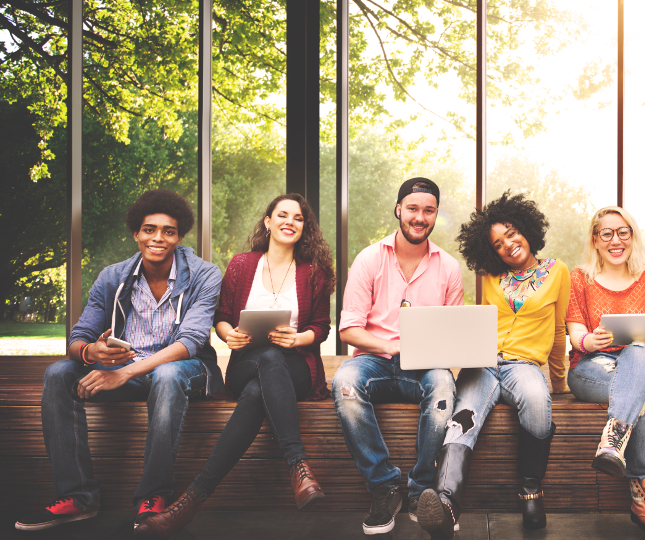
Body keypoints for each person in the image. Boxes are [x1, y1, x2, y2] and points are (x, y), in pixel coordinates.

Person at [15, 190, 223, 532]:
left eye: (168, 231)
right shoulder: (113, 276)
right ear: (136, 233)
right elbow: (78, 336)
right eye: (149, 229)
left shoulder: (204, 274)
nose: (158, 238)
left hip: (186, 370)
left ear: (179, 236)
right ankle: (77, 497)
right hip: (124, 369)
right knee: (58, 373)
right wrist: (90, 353)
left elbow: (191, 341)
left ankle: (153, 496)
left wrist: (123, 372)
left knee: (168, 374)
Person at [137, 194, 335, 537]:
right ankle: (298, 465)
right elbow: (222, 318)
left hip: (296, 366)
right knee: (264, 363)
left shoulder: (313, 271)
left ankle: (190, 502)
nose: (290, 221)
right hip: (246, 362)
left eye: (298, 218)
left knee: (264, 381)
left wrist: (298, 338)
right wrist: (230, 336)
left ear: (305, 228)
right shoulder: (243, 264)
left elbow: (320, 326)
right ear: (268, 222)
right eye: (282, 215)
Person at [417, 192, 569, 539]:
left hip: (524, 364)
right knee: (461, 418)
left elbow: (559, 330)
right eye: (498, 244)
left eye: (512, 233)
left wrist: (559, 381)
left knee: (536, 399)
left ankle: (531, 491)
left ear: (527, 231)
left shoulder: (557, 271)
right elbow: (479, 322)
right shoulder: (488, 276)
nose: (508, 245)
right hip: (482, 363)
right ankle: (445, 505)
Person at [333, 178, 461, 535]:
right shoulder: (369, 259)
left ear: (436, 214)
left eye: (429, 210)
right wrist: (391, 346)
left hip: (422, 366)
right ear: (398, 210)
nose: (420, 217)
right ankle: (384, 486)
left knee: (443, 385)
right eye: (413, 209)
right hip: (374, 360)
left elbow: (453, 333)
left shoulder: (449, 267)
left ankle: (421, 489)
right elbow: (348, 330)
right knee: (344, 381)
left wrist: (440, 349)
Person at [564, 206, 645, 535]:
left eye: (623, 232)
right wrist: (590, 340)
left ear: (632, 236)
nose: (616, 240)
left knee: (639, 349)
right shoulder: (580, 279)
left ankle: (614, 439)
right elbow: (576, 337)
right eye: (607, 233)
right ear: (596, 239)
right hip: (593, 367)